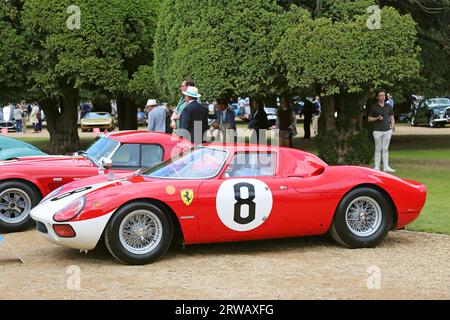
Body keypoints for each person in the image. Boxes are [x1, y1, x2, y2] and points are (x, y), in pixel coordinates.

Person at [368, 89, 396, 173]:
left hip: (387, 130)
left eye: (384, 95)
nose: (382, 97)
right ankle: (377, 167)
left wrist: (392, 126)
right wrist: (377, 118)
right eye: (380, 95)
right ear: (377, 97)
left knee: (385, 149)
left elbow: (392, 117)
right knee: (378, 148)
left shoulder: (388, 106)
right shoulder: (374, 107)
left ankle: (386, 167)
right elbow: (369, 119)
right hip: (377, 131)